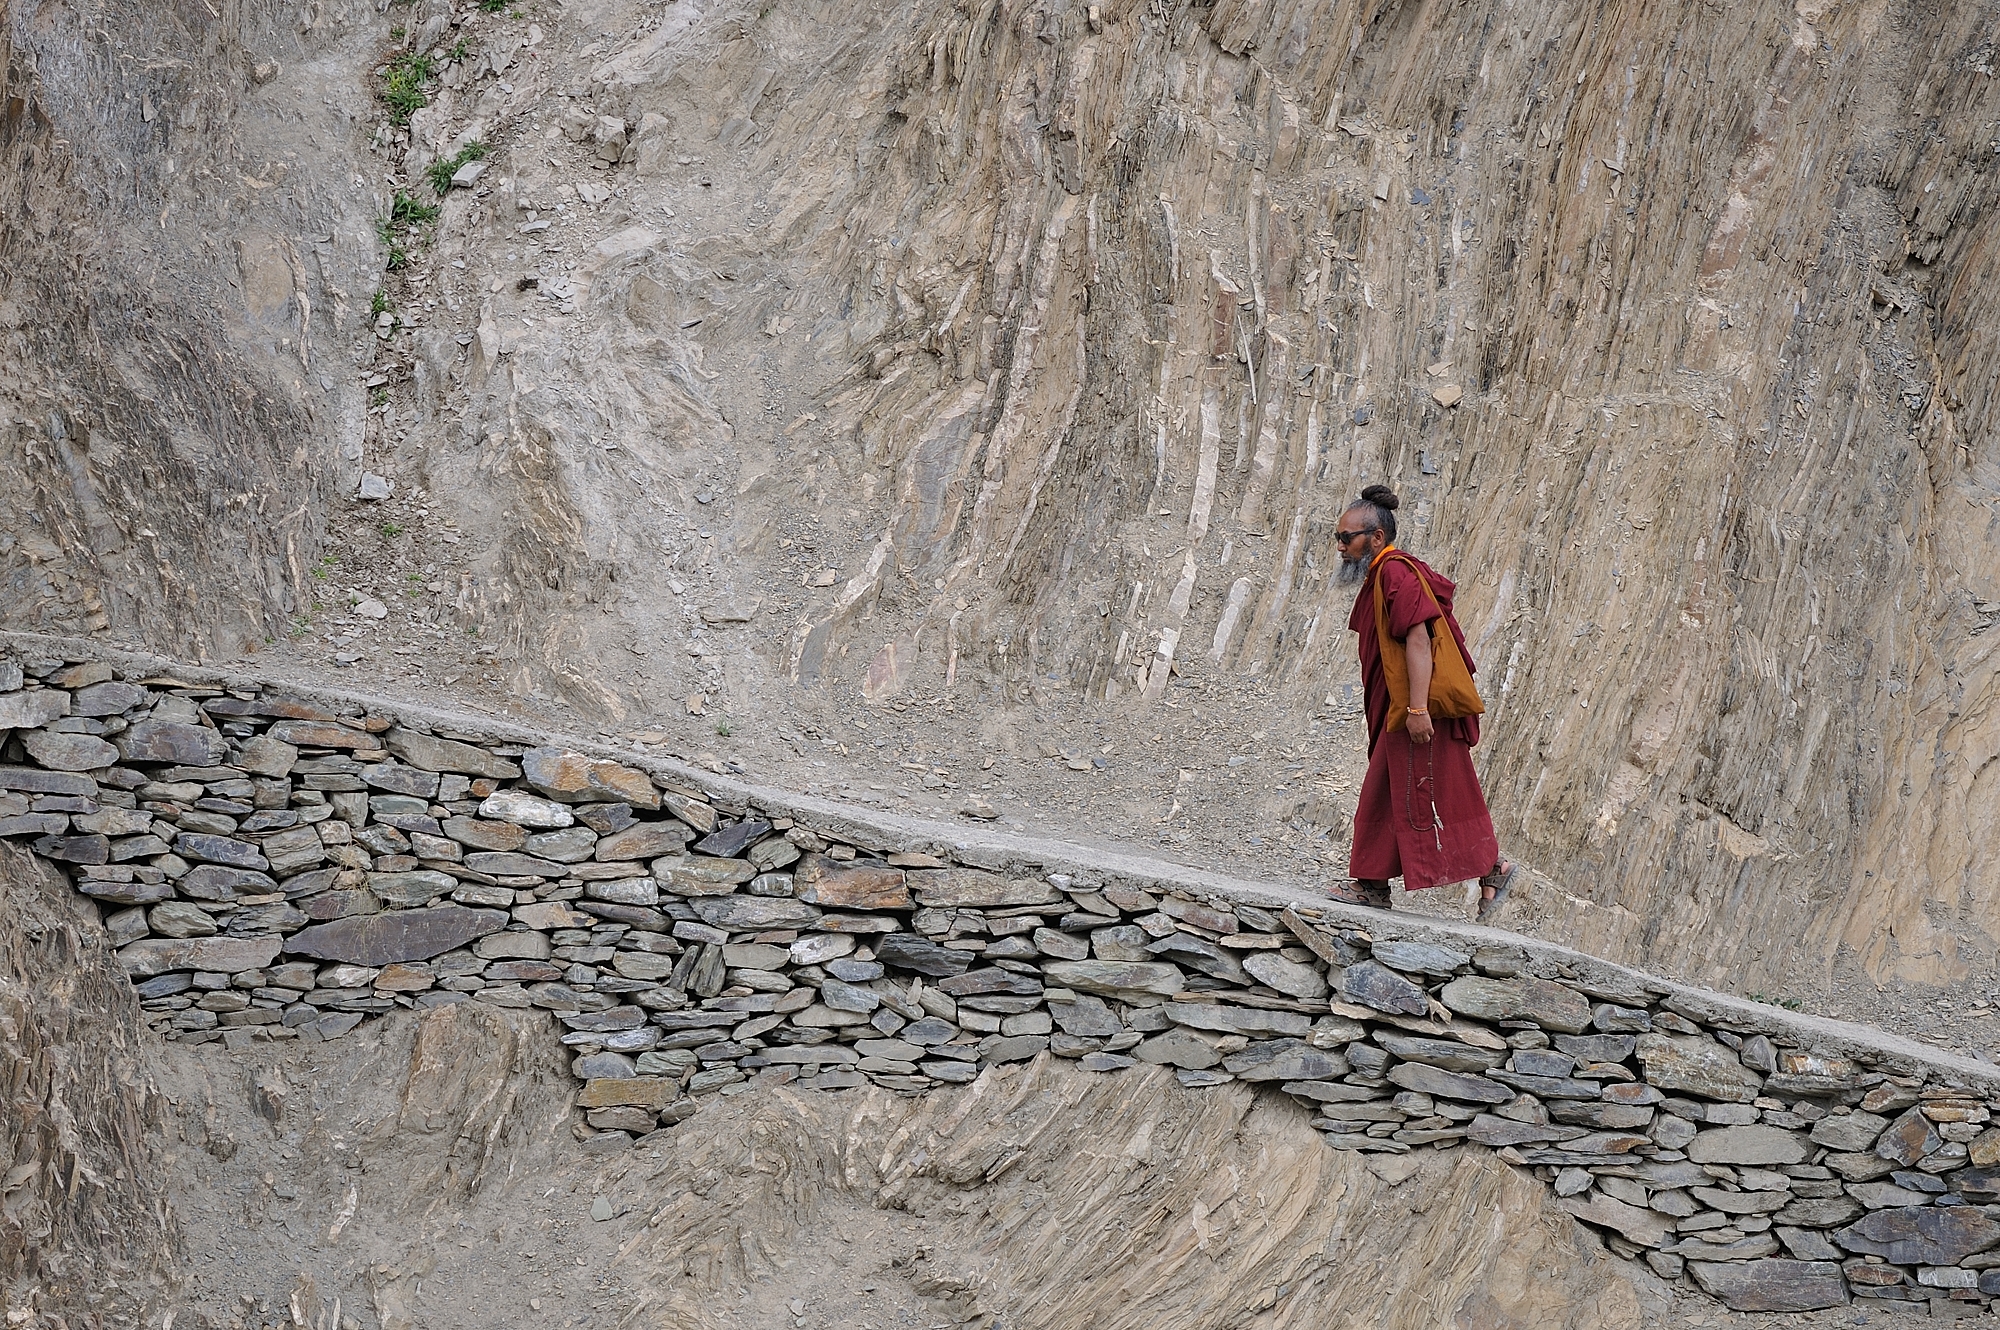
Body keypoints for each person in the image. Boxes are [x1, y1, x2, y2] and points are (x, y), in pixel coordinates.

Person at [1329, 485, 1519, 920]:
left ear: (1376, 538)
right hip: (1401, 708)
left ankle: (1375, 885)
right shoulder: (1383, 574)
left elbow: (1418, 639)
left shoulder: (1395, 572)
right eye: (1337, 537)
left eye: (1348, 538)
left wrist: (1417, 710)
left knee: (1413, 789)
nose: (1341, 546)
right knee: (1414, 788)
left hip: (1414, 710)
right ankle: (1489, 869)